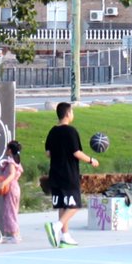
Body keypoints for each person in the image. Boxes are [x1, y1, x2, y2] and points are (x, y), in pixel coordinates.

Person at [44, 102, 99, 248]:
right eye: (72, 112)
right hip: (68, 173)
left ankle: (65, 236)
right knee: (75, 204)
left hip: (55, 173)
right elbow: (76, 152)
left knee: (63, 204)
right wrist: (91, 160)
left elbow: (48, 153)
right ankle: (57, 226)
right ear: (68, 114)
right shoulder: (71, 131)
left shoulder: (52, 131)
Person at [0, 140, 24, 242]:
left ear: (9, 150)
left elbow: (11, 174)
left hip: (11, 187)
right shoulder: (17, 161)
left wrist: (3, 183)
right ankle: (14, 233)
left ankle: (14, 234)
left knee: (10, 211)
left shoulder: (11, 162)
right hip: (16, 187)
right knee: (14, 211)